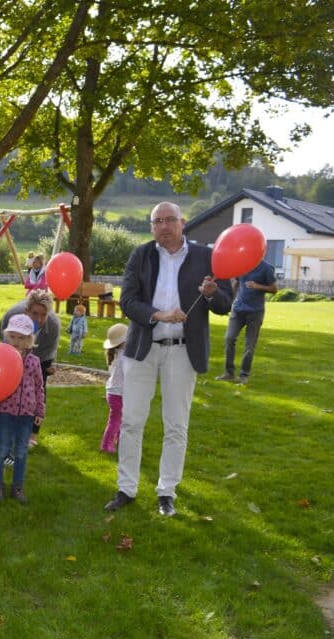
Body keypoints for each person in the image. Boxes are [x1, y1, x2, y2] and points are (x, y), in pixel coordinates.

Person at [104, 201, 232, 517]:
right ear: (152, 227)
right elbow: (128, 301)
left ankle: (167, 492)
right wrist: (157, 314)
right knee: (132, 421)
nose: (163, 226)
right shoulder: (142, 254)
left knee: (176, 425)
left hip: (183, 351)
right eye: (157, 221)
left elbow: (225, 305)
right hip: (142, 351)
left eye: (169, 220)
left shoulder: (206, 257)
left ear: (182, 222)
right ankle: (126, 488)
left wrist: (213, 292)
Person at [0, 314, 46, 504]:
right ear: (7, 336)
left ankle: (17, 487)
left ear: (29, 340)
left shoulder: (34, 362)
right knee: (2, 450)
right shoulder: (2, 358)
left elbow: (39, 387)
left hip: (27, 414)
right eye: (13, 336)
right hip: (5, 411)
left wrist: (40, 411)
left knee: (21, 451)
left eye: (21, 337)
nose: (16, 341)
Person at [0, 289, 60, 447]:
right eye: (35, 313)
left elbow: (48, 351)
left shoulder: (52, 326)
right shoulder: (12, 315)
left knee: (39, 386)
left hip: (42, 354)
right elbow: (3, 336)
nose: (39, 319)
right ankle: (2, 424)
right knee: (8, 384)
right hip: (13, 347)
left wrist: (39, 365)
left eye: (43, 315)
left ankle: (33, 433)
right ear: (27, 311)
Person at [217, 259, 277, 385]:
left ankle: (244, 375)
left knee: (249, 345)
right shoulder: (242, 264)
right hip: (238, 310)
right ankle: (228, 373)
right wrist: (229, 301)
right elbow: (237, 283)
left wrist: (257, 286)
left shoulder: (266, 268)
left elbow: (274, 289)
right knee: (229, 338)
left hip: (255, 311)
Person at [100, 323, 127, 454]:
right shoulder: (124, 357)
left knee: (121, 419)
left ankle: (121, 443)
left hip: (113, 392)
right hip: (119, 393)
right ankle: (106, 445)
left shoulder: (114, 353)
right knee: (116, 420)